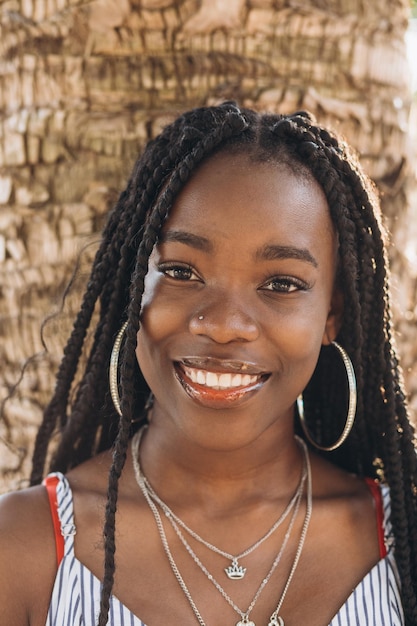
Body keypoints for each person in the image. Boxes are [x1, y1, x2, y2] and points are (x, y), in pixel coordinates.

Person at [0, 101, 416, 626]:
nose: (222, 324)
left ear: (331, 314)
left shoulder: (404, 545)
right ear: (134, 288)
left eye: (281, 284)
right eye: (180, 271)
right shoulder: (23, 548)